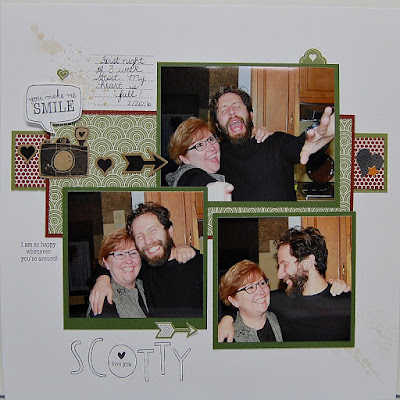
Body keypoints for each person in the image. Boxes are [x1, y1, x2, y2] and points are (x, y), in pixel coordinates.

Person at [219, 226, 351, 342]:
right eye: (279, 266)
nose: (279, 275)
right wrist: (226, 320)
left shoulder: (348, 305)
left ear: (307, 263)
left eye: (285, 265)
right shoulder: (278, 301)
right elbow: (243, 303)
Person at [208, 87, 335, 201]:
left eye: (237, 106)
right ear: (218, 126)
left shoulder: (277, 143)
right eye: (223, 110)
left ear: (250, 115)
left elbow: (299, 146)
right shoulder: (216, 156)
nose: (231, 112)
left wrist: (317, 139)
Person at [90, 202, 204, 319]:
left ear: (170, 231)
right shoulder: (144, 269)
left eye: (153, 230)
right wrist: (102, 280)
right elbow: (112, 263)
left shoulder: (202, 268)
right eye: (139, 236)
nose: (147, 241)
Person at [87, 227, 149, 318]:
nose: (128, 261)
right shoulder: (105, 300)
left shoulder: (145, 287)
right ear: (106, 263)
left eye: (133, 253)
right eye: (119, 254)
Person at [219, 260, 282, 342]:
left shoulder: (281, 317)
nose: (261, 292)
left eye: (262, 283)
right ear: (234, 300)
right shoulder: (228, 337)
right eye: (250, 287)